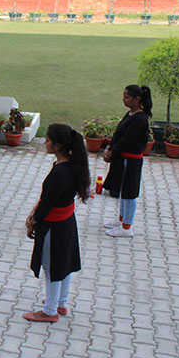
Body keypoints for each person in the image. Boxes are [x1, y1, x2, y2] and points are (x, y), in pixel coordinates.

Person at [23, 124, 90, 322]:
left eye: (48, 140)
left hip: (54, 226)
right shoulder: (71, 165)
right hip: (66, 223)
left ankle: (50, 310)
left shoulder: (61, 172)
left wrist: (33, 221)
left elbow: (48, 202)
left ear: (58, 146)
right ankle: (60, 302)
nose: (45, 142)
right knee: (64, 264)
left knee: (52, 268)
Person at [102, 85, 153, 238]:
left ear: (137, 99)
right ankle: (121, 220)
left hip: (130, 161)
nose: (123, 99)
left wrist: (112, 154)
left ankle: (127, 227)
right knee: (123, 191)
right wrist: (109, 146)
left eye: (126, 97)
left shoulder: (140, 119)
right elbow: (118, 134)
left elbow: (127, 141)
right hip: (121, 158)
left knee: (129, 193)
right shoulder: (130, 114)